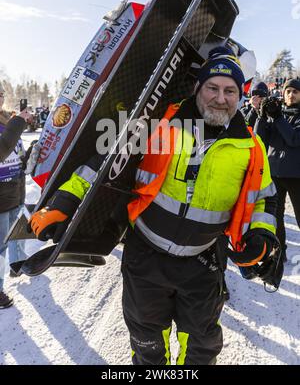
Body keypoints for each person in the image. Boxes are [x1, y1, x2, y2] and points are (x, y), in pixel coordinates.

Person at [29, 47, 279, 365]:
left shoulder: (250, 145)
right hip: (145, 257)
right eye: (212, 88)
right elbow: (105, 163)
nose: (220, 98)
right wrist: (64, 202)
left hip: (202, 264)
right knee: (148, 348)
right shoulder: (161, 123)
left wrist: (262, 234)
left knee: (200, 352)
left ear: (240, 95)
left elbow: (264, 197)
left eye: (230, 90)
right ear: (198, 88)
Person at [255, 78, 300, 262]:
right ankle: (279, 252)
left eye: (295, 92)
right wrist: (261, 115)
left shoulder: (289, 116)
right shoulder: (277, 114)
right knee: (276, 217)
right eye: (288, 91)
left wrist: (278, 117)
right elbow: (259, 138)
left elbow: (294, 139)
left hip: (296, 176)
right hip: (274, 173)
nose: (291, 95)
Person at [0, 83, 33, 309]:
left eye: (1, 94)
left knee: (18, 232)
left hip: (15, 190)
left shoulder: (5, 119)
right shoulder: (12, 122)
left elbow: (14, 152)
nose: (1, 98)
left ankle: (17, 264)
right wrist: (19, 122)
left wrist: (30, 154)